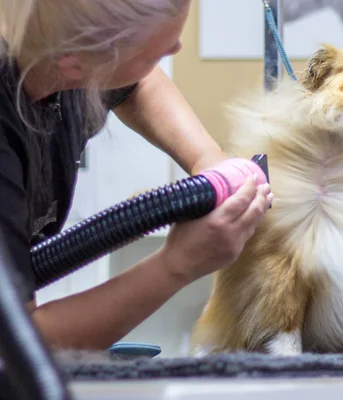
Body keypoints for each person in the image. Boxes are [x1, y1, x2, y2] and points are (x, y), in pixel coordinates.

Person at [0, 0, 273, 351]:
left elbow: (140, 83)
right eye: (154, 53)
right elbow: (17, 346)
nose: (176, 49)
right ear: (75, 67)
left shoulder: (52, 51)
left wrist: (207, 158)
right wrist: (177, 265)